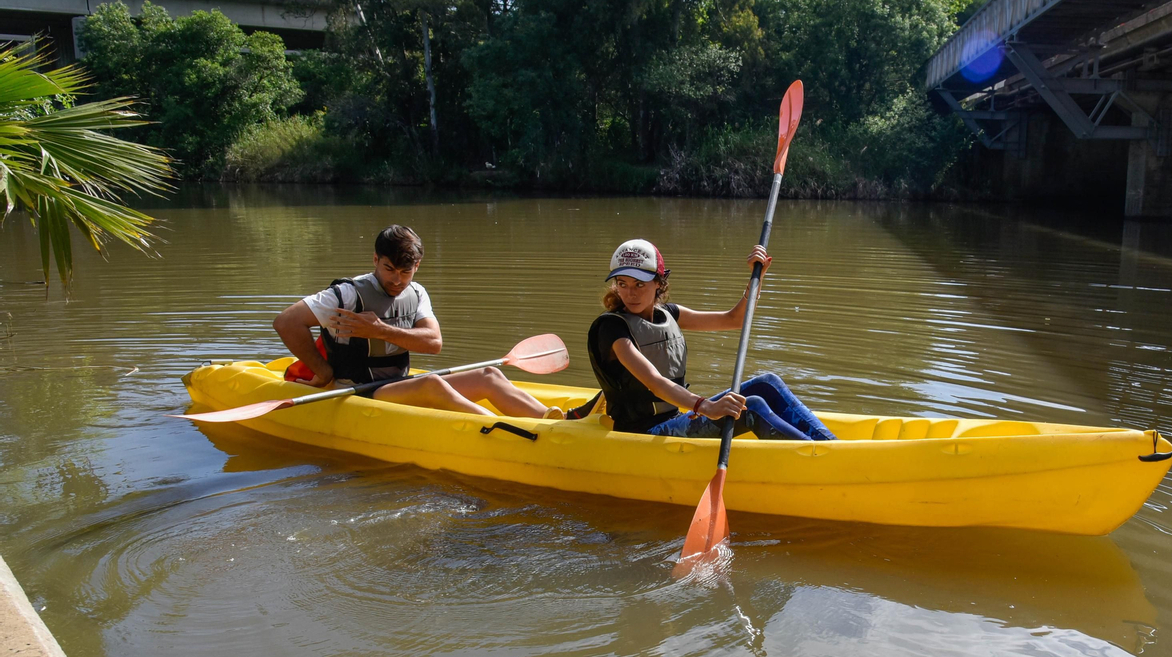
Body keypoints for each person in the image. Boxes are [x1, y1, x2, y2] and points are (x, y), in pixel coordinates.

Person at [273, 225, 561, 419]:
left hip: (398, 385)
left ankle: (551, 420)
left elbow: (433, 343)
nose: (397, 280)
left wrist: (378, 330)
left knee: (489, 375)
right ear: (375, 259)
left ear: (417, 266)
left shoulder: (417, 293)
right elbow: (286, 322)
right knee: (431, 384)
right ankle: (507, 430)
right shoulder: (346, 295)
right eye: (389, 269)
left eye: (405, 271)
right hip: (359, 390)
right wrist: (323, 372)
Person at [586, 238, 834, 441]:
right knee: (752, 407)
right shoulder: (612, 328)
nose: (630, 293)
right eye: (622, 284)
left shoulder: (670, 313)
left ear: (659, 283)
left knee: (767, 384)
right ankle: (817, 461)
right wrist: (705, 407)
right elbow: (655, 382)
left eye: (639, 284)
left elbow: (734, 319)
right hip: (641, 434)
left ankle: (830, 447)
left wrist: (756, 278)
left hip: (674, 420)